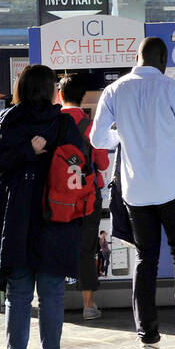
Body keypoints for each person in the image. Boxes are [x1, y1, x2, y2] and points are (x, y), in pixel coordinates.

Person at [90, 36, 175, 349]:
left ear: (137, 57)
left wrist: (123, 137)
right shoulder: (171, 88)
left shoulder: (114, 90)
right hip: (172, 186)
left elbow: (98, 138)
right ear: (163, 61)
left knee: (146, 261)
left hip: (136, 191)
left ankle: (148, 340)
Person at [0, 64, 88, 349]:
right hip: (56, 219)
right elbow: (81, 163)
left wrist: (25, 152)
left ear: (22, 89)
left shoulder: (10, 120)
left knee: (19, 295)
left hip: (17, 219)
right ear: (52, 90)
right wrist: (40, 152)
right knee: (53, 295)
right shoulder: (64, 124)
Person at [59, 74, 109, 320]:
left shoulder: (53, 123)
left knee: (55, 244)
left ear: (60, 95)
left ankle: (54, 299)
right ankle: (88, 305)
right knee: (87, 249)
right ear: (84, 98)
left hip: (58, 196)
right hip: (88, 195)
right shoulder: (91, 125)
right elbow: (102, 161)